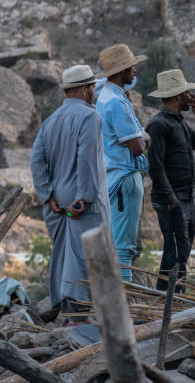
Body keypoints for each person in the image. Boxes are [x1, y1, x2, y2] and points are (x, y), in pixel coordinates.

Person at [30, 65, 109, 323]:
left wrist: (47, 195)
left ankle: (67, 314)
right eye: (92, 87)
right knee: (85, 258)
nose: (95, 91)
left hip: (58, 201)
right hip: (81, 201)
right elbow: (86, 158)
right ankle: (79, 320)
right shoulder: (90, 117)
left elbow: (36, 160)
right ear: (84, 89)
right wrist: (84, 197)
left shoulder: (51, 120)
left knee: (65, 256)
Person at [145, 69, 195, 291]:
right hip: (171, 199)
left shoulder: (179, 123)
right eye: (186, 92)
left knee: (178, 250)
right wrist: (171, 199)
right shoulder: (159, 124)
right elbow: (155, 166)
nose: (190, 95)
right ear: (177, 95)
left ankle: (166, 298)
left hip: (185, 197)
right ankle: (172, 300)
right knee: (177, 250)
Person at [94, 43, 148, 281]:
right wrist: (144, 138)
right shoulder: (116, 102)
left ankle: (119, 301)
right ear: (122, 70)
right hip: (125, 176)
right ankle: (126, 304)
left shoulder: (105, 97)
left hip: (113, 176)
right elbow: (137, 147)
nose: (134, 70)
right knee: (124, 247)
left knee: (118, 243)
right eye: (131, 67)